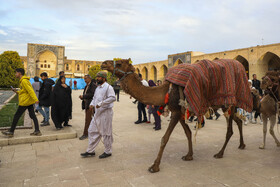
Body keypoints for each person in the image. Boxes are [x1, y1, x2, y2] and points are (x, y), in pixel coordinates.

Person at [81, 71, 116, 159]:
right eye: (97, 77)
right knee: (91, 130)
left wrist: (101, 104)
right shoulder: (98, 88)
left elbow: (112, 98)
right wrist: (91, 104)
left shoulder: (108, 87)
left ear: (104, 78)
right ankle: (90, 151)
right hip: (97, 113)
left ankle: (108, 151)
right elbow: (94, 98)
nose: (97, 79)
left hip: (106, 113)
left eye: (99, 77)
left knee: (106, 133)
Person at [2, 68, 42, 137]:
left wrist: (36, 99)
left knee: (16, 116)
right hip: (28, 101)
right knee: (32, 116)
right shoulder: (23, 81)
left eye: (16, 73)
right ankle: (37, 131)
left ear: (19, 73)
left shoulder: (24, 81)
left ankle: (11, 132)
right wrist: (16, 91)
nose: (15, 74)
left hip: (25, 102)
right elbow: (24, 91)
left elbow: (30, 90)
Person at [79, 75, 97, 140]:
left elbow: (92, 94)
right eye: (84, 79)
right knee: (90, 120)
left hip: (91, 105)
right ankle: (92, 132)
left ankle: (85, 134)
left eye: (86, 78)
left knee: (88, 120)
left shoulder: (93, 85)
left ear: (89, 78)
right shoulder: (87, 86)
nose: (85, 80)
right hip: (87, 104)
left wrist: (83, 96)